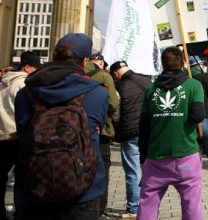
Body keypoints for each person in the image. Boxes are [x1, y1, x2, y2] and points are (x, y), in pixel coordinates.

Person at [15, 33, 108, 219]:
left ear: (53, 55)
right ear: (84, 62)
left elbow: (22, 132)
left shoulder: (26, 92)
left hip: (35, 186)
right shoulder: (97, 92)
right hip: (84, 188)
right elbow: (97, 126)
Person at [137, 47, 206, 220]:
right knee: (192, 207)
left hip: (155, 159)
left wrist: (142, 159)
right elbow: (198, 116)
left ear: (162, 64)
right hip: (186, 158)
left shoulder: (151, 89)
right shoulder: (193, 85)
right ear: (183, 63)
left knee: (147, 205)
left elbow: (143, 127)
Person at [0, 51, 41, 220]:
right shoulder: (22, 84)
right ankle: (21, 213)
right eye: (35, 68)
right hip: (16, 136)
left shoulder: (4, 82)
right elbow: (24, 111)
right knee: (22, 178)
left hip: (2, 134)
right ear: (26, 67)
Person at [110, 61, 151, 220]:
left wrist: (116, 128)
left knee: (133, 172)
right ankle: (149, 206)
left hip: (130, 133)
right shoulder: (147, 81)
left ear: (116, 74)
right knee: (149, 171)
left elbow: (116, 114)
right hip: (148, 133)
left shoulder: (119, 87)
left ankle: (133, 208)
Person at [85, 52, 119, 218]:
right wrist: (102, 118)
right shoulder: (104, 76)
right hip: (100, 131)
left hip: (73, 130)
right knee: (101, 170)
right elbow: (113, 103)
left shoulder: (72, 72)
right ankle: (99, 210)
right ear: (100, 62)